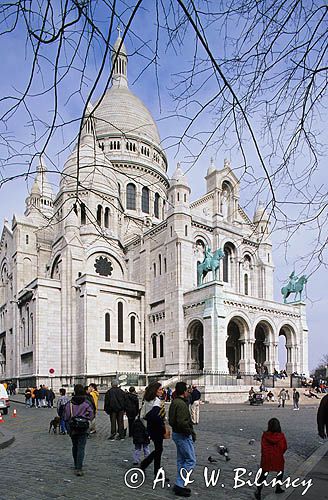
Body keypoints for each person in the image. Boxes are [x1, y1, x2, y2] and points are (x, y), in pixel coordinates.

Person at [169, 381, 196, 498]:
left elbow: (171, 420)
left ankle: (180, 484)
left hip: (176, 433)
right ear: (184, 392)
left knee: (181, 460)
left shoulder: (174, 402)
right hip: (182, 435)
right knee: (191, 460)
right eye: (186, 390)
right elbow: (182, 422)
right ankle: (180, 484)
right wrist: (189, 432)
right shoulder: (181, 404)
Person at [63, 384, 94, 476]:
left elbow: (66, 416)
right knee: (81, 447)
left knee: (75, 445)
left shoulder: (70, 404)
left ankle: (76, 463)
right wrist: (86, 419)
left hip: (73, 427)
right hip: (83, 427)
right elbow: (91, 414)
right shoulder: (86, 403)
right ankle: (79, 468)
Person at [254, 417, 287, 500]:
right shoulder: (281, 436)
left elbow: (263, 447)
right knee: (280, 472)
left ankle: (258, 491)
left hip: (267, 457)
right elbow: (284, 447)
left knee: (263, 475)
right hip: (277, 457)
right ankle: (278, 487)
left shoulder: (265, 435)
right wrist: (279, 453)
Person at [140, 382, 166, 478]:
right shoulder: (157, 401)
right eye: (160, 389)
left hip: (150, 427)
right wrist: (161, 420)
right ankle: (149, 465)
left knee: (158, 449)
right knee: (159, 449)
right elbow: (153, 415)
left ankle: (152, 467)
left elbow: (142, 416)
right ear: (155, 390)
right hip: (157, 427)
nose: (162, 391)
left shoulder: (147, 400)